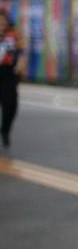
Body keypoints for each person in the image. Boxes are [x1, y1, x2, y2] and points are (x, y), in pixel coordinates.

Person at [0, 8, 26, 149]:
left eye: (3, 23)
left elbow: (22, 51)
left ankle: (5, 130)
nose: (2, 26)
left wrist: (21, 64)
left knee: (11, 105)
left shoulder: (14, 33)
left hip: (9, 72)